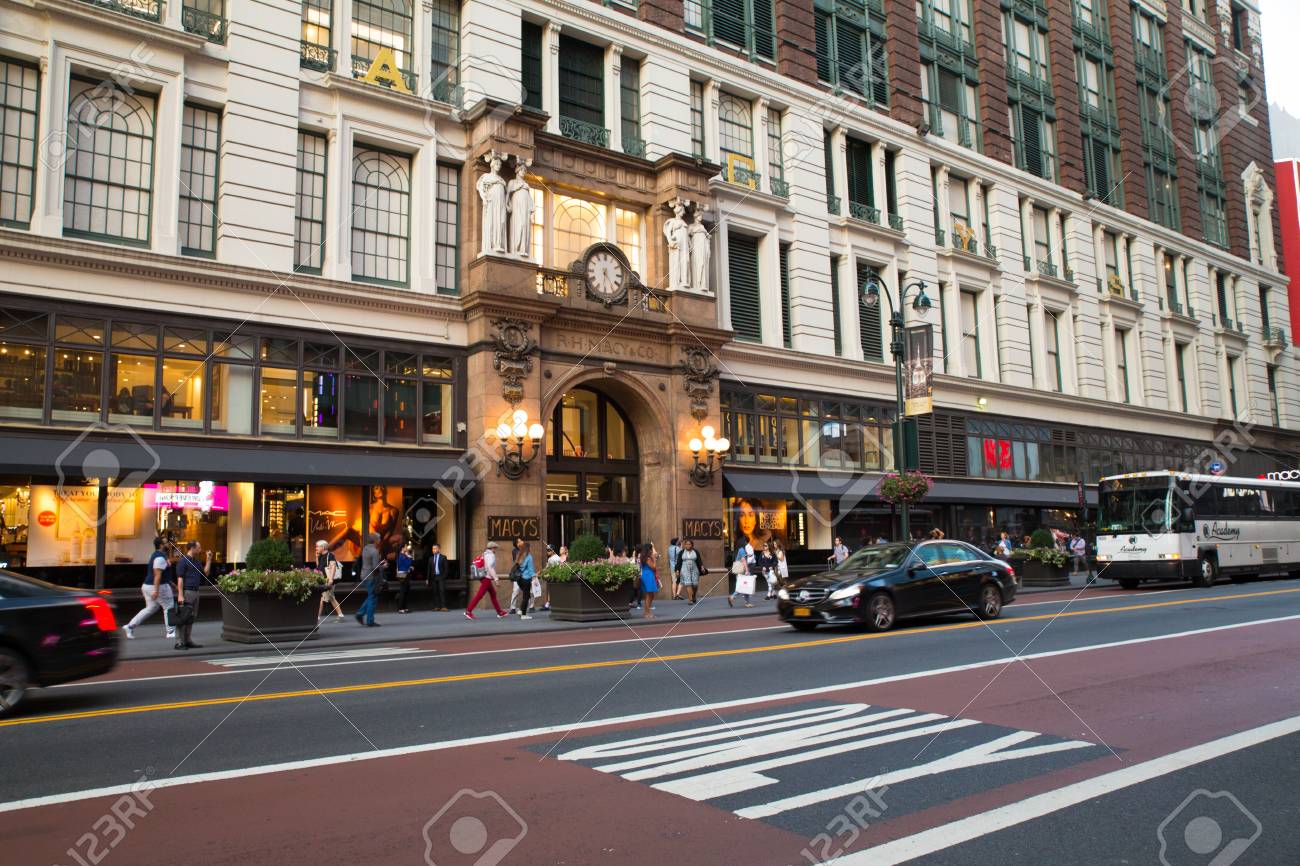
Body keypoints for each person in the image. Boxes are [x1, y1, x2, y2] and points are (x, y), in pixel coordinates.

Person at [123, 537, 175, 640]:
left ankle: (130, 626)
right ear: (161, 545)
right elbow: (157, 575)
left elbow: (162, 573)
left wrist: (172, 584)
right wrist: (156, 590)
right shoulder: (160, 558)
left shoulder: (155, 555)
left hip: (148, 586)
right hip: (158, 586)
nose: (168, 544)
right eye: (166, 543)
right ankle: (170, 632)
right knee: (169, 607)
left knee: (151, 608)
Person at [173, 540, 211, 650]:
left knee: (191, 617)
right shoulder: (183, 561)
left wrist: (208, 559)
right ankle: (179, 642)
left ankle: (187, 640)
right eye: (198, 548)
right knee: (183, 617)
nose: (200, 549)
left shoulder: (196, 561)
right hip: (187, 591)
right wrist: (180, 595)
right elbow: (180, 579)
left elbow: (205, 574)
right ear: (192, 548)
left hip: (196, 591)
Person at [465, 541, 507, 619]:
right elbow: (490, 568)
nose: (496, 550)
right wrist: (496, 579)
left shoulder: (484, 554)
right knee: (479, 595)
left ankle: (499, 612)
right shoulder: (491, 555)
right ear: (492, 548)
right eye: (495, 548)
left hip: (483, 577)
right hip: (486, 578)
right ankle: (468, 611)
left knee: (493, 593)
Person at [355, 532, 384, 627]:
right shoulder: (375, 551)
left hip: (364, 575)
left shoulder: (365, 549)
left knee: (371, 596)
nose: (380, 540)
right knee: (373, 598)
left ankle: (360, 614)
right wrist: (383, 566)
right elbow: (375, 567)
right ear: (375, 540)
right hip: (371, 577)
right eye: (379, 539)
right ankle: (369, 620)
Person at [315, 539, 345, 622]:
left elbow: (333, 567)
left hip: (328, 580)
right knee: (331, 598)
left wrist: (331, 579)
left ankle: (317, 617)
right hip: (323, 579)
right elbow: (319, 567)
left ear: (323, 547)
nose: (316, 548)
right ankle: (340, 615)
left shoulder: (330, 555)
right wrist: (317, 557)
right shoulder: (320, 556)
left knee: (322, 598)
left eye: (318, 547)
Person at [728, 539, 756, 608]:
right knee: (743, 585)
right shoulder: (742, 550)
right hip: (741, 570)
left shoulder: (741, 550)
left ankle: (747, 602)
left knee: (744, 586)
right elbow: (743, 560)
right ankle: (732, 597)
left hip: (740, 570)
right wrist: (747, 570)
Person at [677, 539, 705, 604]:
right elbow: (678, 562)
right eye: (686, 544)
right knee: (688, 583)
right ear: (685, 545)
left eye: (689, 544)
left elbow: (699, 560)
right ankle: (690, 599)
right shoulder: (682, 552)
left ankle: (694, 595)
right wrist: (677, 570)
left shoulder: (695, 551)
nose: (688, 545)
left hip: (694, 568)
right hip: (685, 568)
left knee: (695, 584)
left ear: (692, 545)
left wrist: (702, 567)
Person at [515, 541, 537, 620]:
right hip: (526, 579)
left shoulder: (519, 555)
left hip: (519, 579)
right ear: (528, 548)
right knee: (526, 597)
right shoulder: (529, 557)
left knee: (525, 596)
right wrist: (534, 577)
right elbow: (530, 569)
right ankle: (523, 614)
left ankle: (521, 610)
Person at [639, 543, 660, 619]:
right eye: (651, 549)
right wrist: (654, 559)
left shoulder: (644, 557)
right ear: (649, 550)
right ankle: (647, 613)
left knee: (650, 595)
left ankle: (646, 612)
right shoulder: (648, 558)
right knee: (649, 595)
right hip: (648, 575)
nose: (651, 551)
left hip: (647, 575)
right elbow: (653, 567)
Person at [427, 543, 449, 611]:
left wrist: (444, 576)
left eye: (435, 548)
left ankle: (443, 606)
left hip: (441, 576)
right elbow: (429, 569)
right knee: (435, 591)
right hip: (433, 577)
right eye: (433, 549)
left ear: (439, 549)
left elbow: (446, 568)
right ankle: (436, 606)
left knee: (442, 591)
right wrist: (427, 578)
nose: (433, 550)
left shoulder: (443, 557)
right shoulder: (430, 558)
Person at [394, 542, 414, 613]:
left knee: (405, 591)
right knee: (403, 591)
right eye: (405, 547)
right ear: (402, 548)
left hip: (404, 574)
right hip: (403, 575)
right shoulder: (402, 556)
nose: (407, 548)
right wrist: (409, 557)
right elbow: (407, 564)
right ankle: (400, 608)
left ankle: (404, 607)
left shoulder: (402, 556)